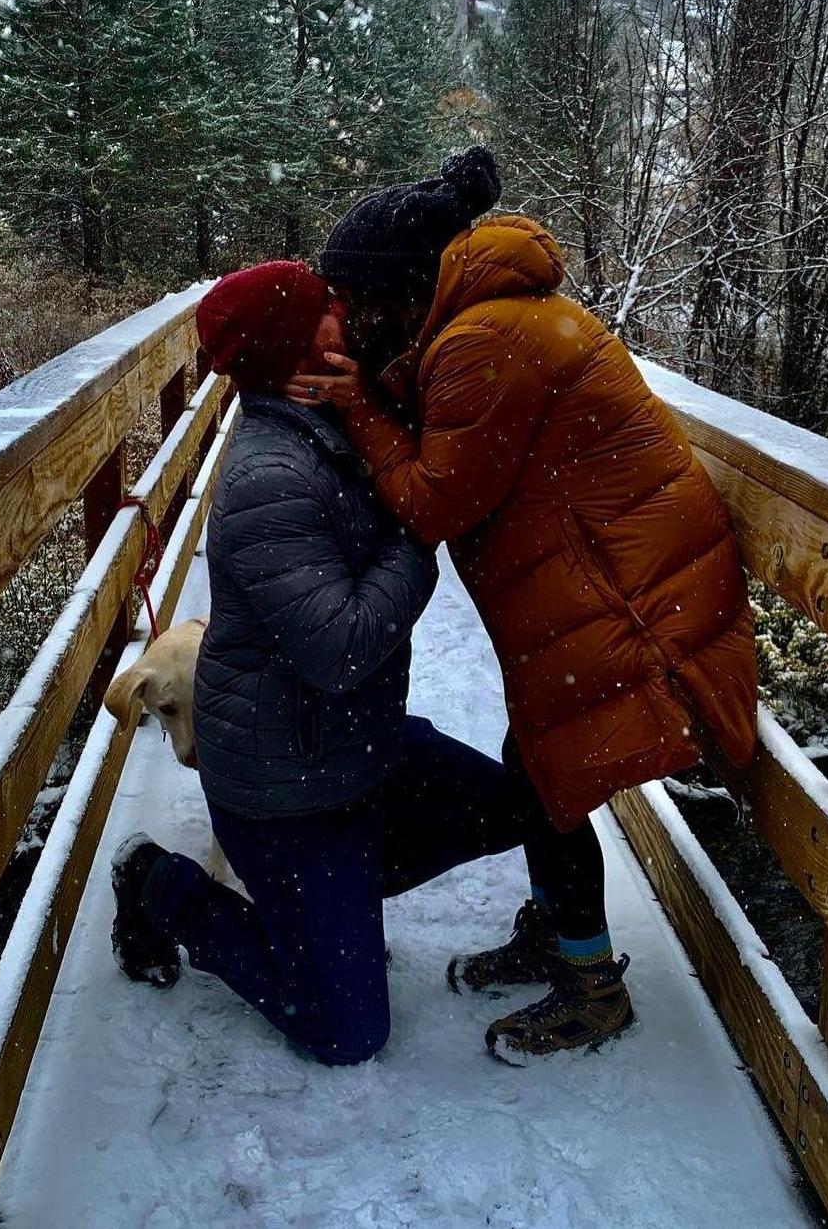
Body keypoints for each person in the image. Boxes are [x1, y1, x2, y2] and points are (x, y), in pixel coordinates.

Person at [289, 147, 759, 1061]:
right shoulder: (487, 322)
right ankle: (559, 934)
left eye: (365, 301)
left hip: (628, 606)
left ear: (406, 288)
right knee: (540, 765)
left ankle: (592, 990)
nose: (361, 320)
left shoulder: (484, 341)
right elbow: (450, 430)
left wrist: (354, 407)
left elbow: (433, 499)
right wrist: (378, 392)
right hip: (612, 586)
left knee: (551, 780)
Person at [110, 260, 528, 1067]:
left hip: (352, 750)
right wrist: (420, 527)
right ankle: (159, 885)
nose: (345, 313)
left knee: (511, 806)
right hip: (288, 789)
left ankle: (323, 911)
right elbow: (341, 648)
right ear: (290, 347)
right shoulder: (270, 478)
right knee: (346, 1032)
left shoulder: (333, 409)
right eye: (325, 309)